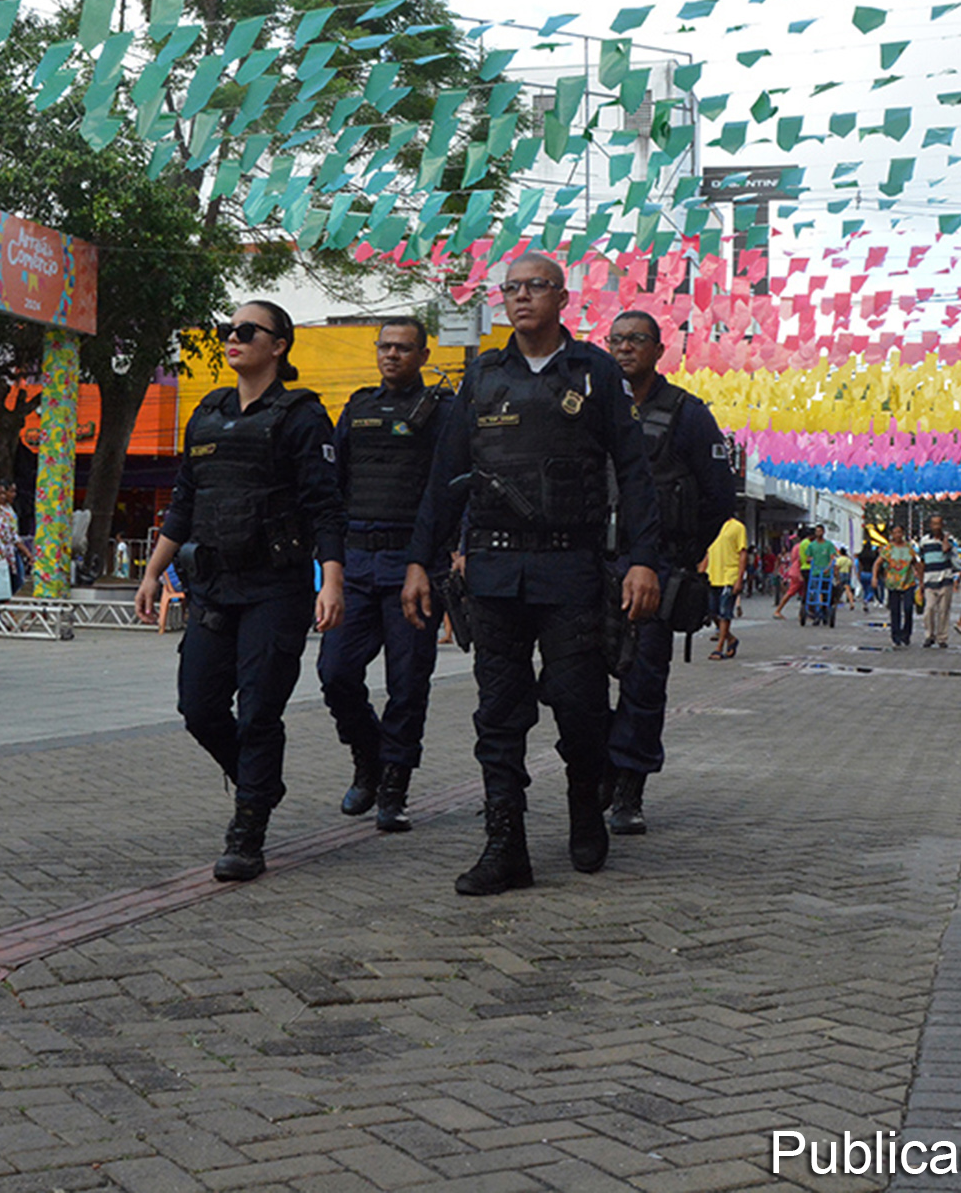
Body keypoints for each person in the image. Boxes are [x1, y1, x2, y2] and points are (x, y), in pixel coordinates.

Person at [399, 254, 660, 896]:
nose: (521, 298)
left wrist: (644, 559)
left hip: (570, 568)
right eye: (511, 288)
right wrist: (419, 561)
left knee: (579, 707)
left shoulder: (594, 371)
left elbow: (633, 473)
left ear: (562, 298)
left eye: (534, 287)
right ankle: (505, 843)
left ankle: (582, 813)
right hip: (493, 572)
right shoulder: (482, 376)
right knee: (499, 714)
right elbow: (445, 479)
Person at [137, 301, 345, 881]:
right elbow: (184, 502)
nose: (233, 337)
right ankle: (262, 781)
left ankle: (247, 829)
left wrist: (330, 581)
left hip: (276, 587)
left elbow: (325, 507)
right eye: (228, 329)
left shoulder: (302, 416)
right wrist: (154, 572)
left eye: (246, 331)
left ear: (279, 345)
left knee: (258, 711)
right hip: (214, 586)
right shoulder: (206, 413)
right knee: (199, 708)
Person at [315, 316, 452, 833]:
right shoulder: (358, 407)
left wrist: (442, 554)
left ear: (422, 354)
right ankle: (368, 758)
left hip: (411, 565)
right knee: (335, 673)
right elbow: (335, 481)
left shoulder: (442, 411)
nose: (391, 355)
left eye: (403, 348)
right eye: (385, 347)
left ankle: (394, 786)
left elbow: (447, 490)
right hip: (356, 562)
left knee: (407, 683)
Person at [601, 310, 735, 837]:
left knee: (642, 683)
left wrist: (679, 557)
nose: (625, 348)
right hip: (596, 567)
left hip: (658, 570)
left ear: (659, 350)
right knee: (579, 680)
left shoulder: (687, 413)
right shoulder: (592, 407)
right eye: (616, 339)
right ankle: (599, 772)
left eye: (636, 340)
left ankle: (629, 786)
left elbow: (719, 496)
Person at [705, 511, 748, 662]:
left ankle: (719, 647)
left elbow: (743, 553)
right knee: (711, 611)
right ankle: (731, 639)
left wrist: (739, 579)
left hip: (729, 575)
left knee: (725, 612)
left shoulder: (738, 527)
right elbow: (706, 552)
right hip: (712, 574)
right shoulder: (711, 526)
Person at [914, 515, 959, 647]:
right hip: (929, 579)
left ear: (942, 525)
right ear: (930, 526)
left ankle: (942, 638)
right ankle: (929, 635)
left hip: (945, 578)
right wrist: (921, 583)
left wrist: (944, 539)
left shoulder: (949, 540)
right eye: (934, 524)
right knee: (929, 609)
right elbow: (921, 562)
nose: (936, 527)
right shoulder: (924, 541)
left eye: (939, 524)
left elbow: (947, 550)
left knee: (944, 610)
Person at [879, 524, 917, 646]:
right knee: (895, 610)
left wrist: (921, 581)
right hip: (893, 584)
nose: (898, 535)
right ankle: (895, 635)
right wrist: (874, 577)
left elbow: (916, 563)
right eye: (895, 533)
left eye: (900, 532)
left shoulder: (909, 548)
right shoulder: (888, 549)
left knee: (908, 608)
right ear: (891, 534)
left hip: (908, 583)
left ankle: (906, 634)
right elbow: (877, 563)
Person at [771, 529, 807, 618]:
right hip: (798, 572)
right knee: (791, 592)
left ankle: (803, 613)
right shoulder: (803, 546)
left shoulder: (796, 546)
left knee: (803, 593)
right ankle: (778, 610)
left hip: (794, 570)